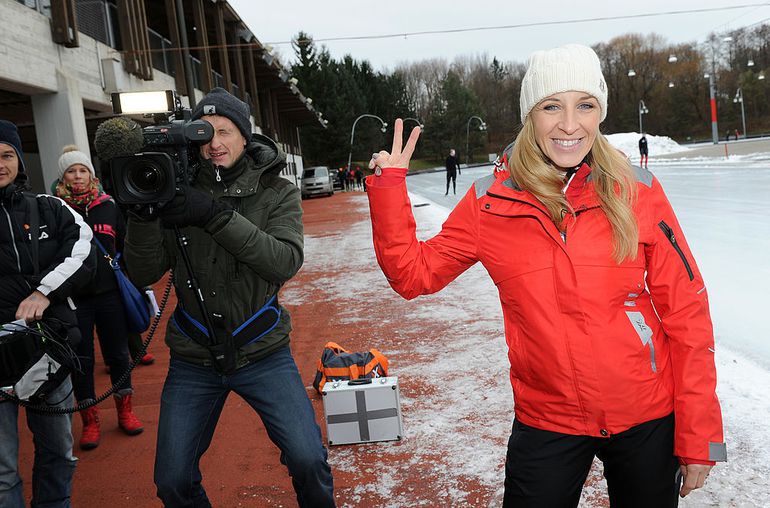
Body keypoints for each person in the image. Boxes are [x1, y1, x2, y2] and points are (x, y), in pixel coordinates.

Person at [366, 44, 725, 507]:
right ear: (529, 116)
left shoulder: (638, 191)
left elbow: (687, 313)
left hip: (645, 414)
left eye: (585, 105)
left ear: (600, 113)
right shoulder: (489, 203)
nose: (570, 124)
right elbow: (412, 275)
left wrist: (700, 436)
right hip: (548, 419)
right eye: (551, 106)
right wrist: (389, 187)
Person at [123, 87, 334, 507]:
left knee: (309, 460)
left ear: (244, 136)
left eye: (224, 131)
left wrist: (215, 215)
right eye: (203, 133)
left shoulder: (277, 191)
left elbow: (283, 261)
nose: (214, 143)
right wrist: (144, 212)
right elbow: (143, 273)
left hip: (262, 350)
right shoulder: (173, 188)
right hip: (193, 357)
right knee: (173, 480)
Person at [0, 120, 95, 507]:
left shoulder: (49, 207)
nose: (0, 164)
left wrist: (43, 291)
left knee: (58, 451)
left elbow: (84, 250)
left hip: (47, 349)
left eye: (7, 155)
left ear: (20, 161)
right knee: (2, 471)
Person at [54, 145, 144, 450]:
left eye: (83, 170)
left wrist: (137, 283)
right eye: (71, 171)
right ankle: (90, 421)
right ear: (63, 177)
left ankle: (125, 411)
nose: (78, 176)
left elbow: (126, 246)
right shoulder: (55, 209)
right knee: (81, 360)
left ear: (91, 175)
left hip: (109, 295)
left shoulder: (109, 206)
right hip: (74, 298)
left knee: (118, 354)